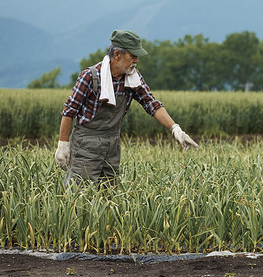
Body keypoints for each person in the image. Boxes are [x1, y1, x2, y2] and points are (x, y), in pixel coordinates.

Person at [54, 29, 198, 188]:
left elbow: (151, 103)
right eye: (133, 56)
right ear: (117, 55)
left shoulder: (133, 78)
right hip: (86, 145)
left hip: (112, 145)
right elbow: (69, 112)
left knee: (109, 196)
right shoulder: (90, 77)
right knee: (79, 195)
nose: (136, 61)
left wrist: (175, 129)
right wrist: (63, 145)